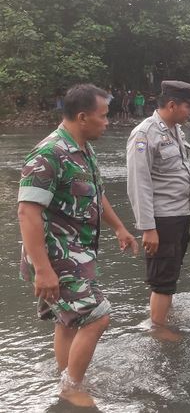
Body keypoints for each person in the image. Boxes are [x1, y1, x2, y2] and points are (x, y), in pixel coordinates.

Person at [17, 84, 138, 407]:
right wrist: (43, 270)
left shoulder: (83, 149)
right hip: (56, 258)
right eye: (104, 116)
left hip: (78, 254)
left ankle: (67, 376)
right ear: (82, 117)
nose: (108, 122)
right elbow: (27, 211)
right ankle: (71, 387)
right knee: (97, 316)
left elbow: (96, 194)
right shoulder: (48, 154)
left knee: (68, 320)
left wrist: (120, 228)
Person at [126, 80, 190, 337]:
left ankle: (162, 317)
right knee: (162, 277)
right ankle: (158, 329)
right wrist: (148, 228)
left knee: (171, 270)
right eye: (188, 106)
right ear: (172, 105)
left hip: (180, 213)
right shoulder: (144, 134)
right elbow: (138, 184)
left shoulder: (174, 130)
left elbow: (179, 167)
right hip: (163, 218)